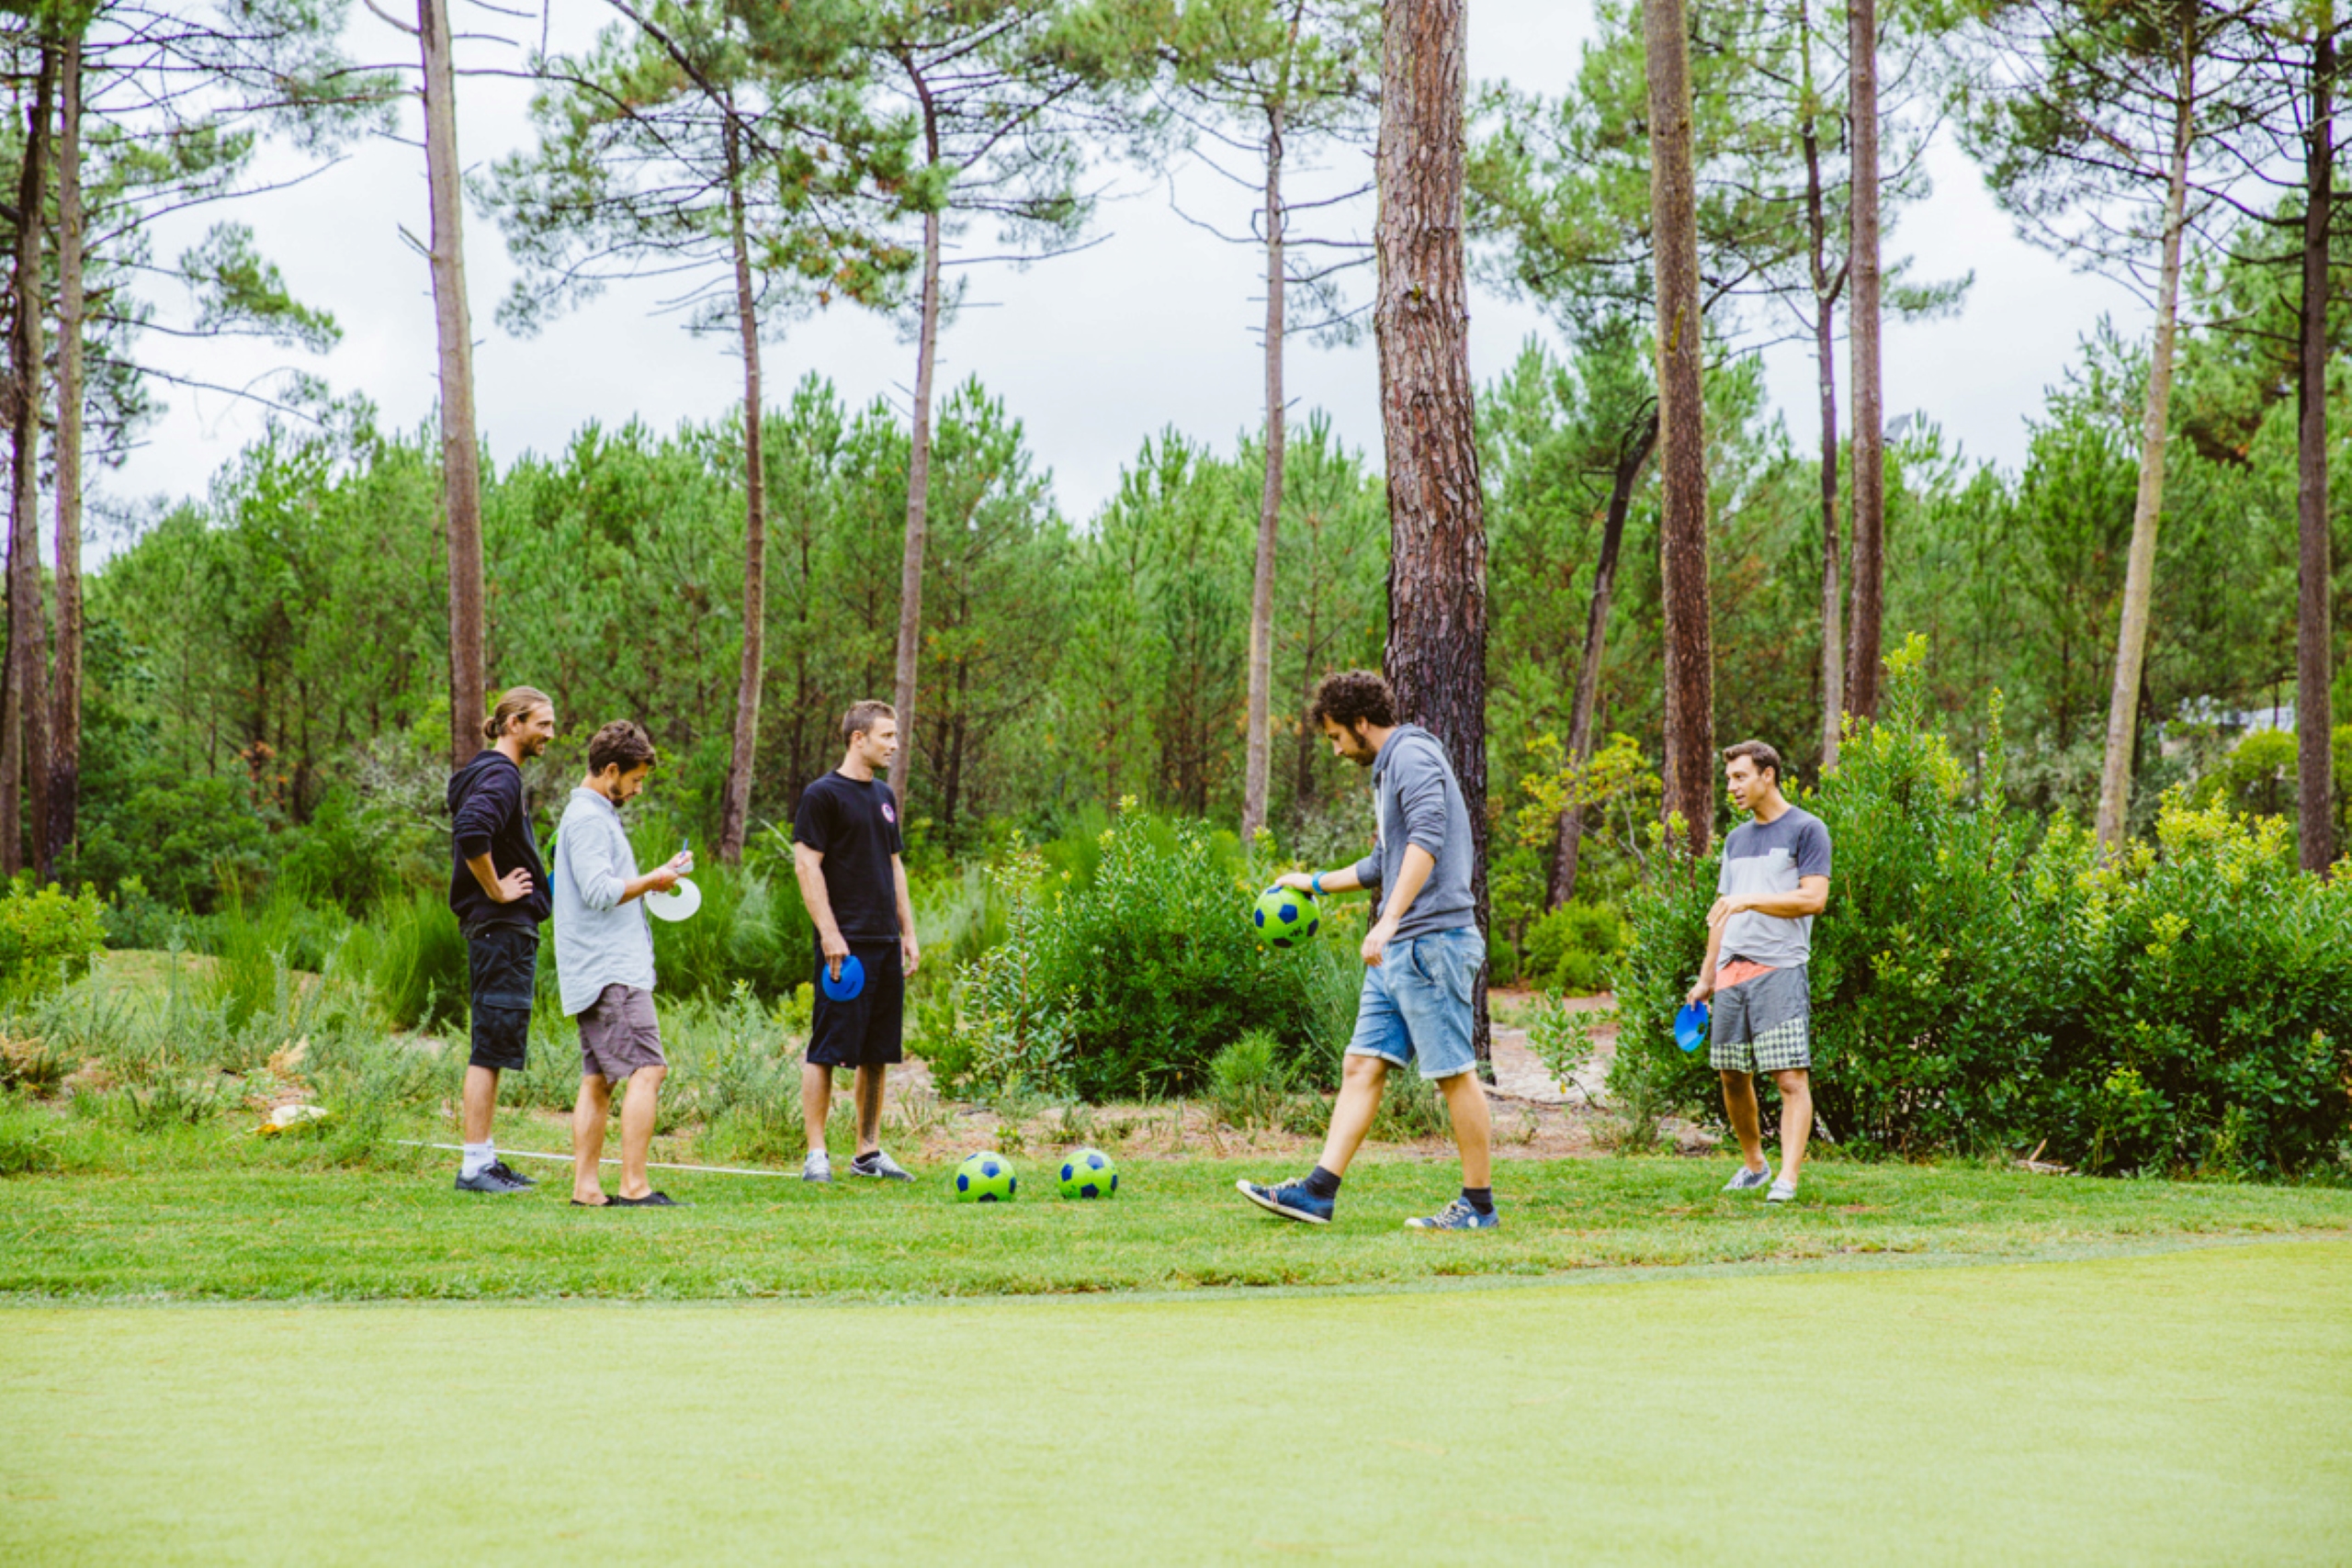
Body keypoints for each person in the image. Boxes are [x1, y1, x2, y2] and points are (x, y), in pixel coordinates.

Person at [1238, 671, 1498, 1231]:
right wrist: (1313, 882)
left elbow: (1427, 839)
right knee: (1361, 1063)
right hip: (1399, 949)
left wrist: (1390, 917)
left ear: (1361, 722)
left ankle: (1478, 1206)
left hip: (1432, 942)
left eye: (1336, 737)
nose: (1335, 750)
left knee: (1453, 1072)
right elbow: (1384, 862)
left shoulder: (1412, 756)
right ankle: (1317, 1193)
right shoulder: (1387, 771)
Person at [552, 721, 695, 1208]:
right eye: (635, 780)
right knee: (649, 1068)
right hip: (611, 971)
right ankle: (635, 1187)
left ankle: (587, 1189)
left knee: (599, 1079)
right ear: (610, 770)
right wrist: (654, 879)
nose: (637, 790)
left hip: (596, 968)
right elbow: (600, 891)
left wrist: (660, 875)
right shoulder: (588, 819)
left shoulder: (593, 815)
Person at [1685, 739, 1832, 1203]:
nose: (1731, 787)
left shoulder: (1808, 829)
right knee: (1731, 1074)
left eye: (1740, 777)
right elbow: (1721, 912)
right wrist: (1706, 977)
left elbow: (1814, 898)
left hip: (1780, 968)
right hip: (1731, 970)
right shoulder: (1736, 839)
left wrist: (1749, 900)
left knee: (1789, 1078)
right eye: (1728, 779)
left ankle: (1787, 1178)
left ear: (1768, 775)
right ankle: (1754, 1166)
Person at [790, 700, 922, 1184]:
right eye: (886, 736)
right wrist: (830, 934)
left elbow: (894, 867)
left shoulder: (884, 796)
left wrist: (908, 932)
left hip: (884, 941)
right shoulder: (822, 795)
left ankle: (867, 1152)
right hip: (844, 948)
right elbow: (806, 866)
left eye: (895, 736)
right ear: (857, 738)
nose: (895, 745)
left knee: (877, 1051)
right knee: (826, 1048)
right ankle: (816, 1154)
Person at [447, 686, 557, 1194]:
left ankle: (486, 1158)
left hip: (499, 929)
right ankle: (474, 1166)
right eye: (542, 724)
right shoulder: (502, 774)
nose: (550, 734)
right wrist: (496, 888)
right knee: (489, 1047)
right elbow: (472, 829)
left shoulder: (489, 773)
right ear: (514, 723)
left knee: (493, 1044)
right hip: (500, 927)